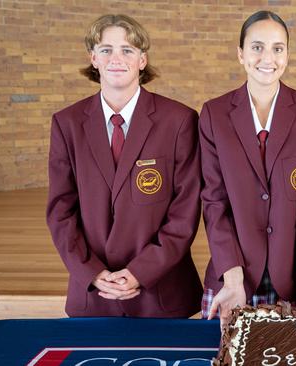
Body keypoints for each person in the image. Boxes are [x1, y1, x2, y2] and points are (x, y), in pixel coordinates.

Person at [46, 14, 202, 317]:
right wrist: (91, 272)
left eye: (127, 50)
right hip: (94, 293)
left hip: (162, 293)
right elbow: (61, 211)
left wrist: (141, 272)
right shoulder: (67, 124)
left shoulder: (179, 120)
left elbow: (185, 212)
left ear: (142, 60)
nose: (116, 59)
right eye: (106, 50)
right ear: (93, 58)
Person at [199, 10, 296, 326]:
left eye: (277, 48)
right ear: (241, 53)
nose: (267, 57)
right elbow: (214, 203)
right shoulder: (214, 115)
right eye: (257, 47)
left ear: (287, 54)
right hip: (234, 279)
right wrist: (231, 278)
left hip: (295, 283)